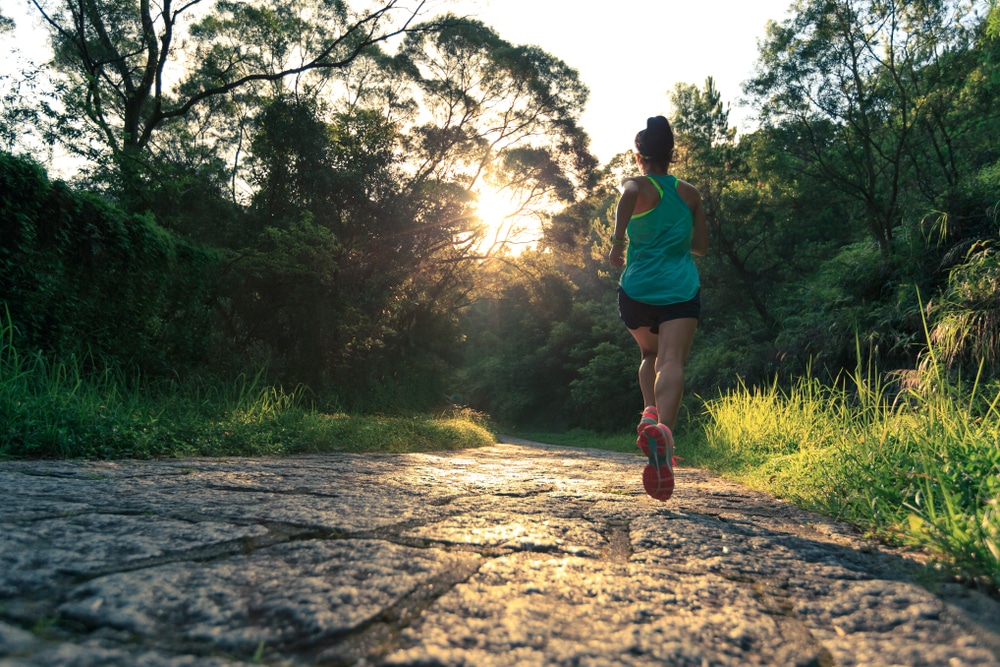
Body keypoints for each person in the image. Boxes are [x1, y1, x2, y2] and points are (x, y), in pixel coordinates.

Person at [609, 116, 708, 501]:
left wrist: (618, 242)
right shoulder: (690, 193)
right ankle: (663, 430)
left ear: (639, 156)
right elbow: (701, 247)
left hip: (638, 290)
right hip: (680, 289)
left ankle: (649, 411)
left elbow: (629, 193)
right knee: (672, 361)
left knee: (648, 353)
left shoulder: (638, 184)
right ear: (671, 154)